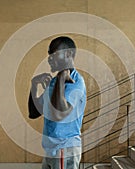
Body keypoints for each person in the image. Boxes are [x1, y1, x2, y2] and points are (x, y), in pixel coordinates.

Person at [28, 36, 86, 169]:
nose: (49, 58)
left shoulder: (76, 82)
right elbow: (34, 112)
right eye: (49, 55)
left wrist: (61, 78)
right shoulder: (54, 82)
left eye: (54, 54)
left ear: (68, 53)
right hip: (51, 150)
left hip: (65, 148)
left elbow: (60, 114)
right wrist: (34, 85)